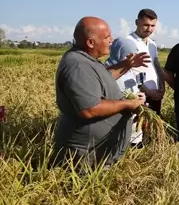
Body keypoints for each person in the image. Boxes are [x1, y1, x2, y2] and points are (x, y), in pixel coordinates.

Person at [52, 17, 148, 170]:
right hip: (85, 156)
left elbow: (102, 79)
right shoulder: (78, 65)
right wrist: (128, 104)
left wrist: (127, 65)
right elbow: (89, 109)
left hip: (95, 152)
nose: (111, 40)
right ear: (90, 42)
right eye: (106, 37)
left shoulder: (87, 60)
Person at [106, 8, 165, 147]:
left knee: (151, 130)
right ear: (137, 22)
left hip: (155, 93)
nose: (149, 29)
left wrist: (162, 86)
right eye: (145, 25)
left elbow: (156, 66)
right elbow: (127, 72)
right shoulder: (127, 43)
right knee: (136, 129)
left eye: (152, 26)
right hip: (138, 95)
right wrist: (146, 91)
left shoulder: (152, 44)